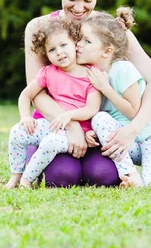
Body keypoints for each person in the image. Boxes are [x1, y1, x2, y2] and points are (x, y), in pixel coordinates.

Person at [24, 0, 151, 187]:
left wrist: (132, 131)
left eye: (88, 1)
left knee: (104, 176)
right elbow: (37, 93)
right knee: (61, 177)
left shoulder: (109, 29)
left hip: (96, 131)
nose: (79, 8)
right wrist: (71, 127)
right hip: (55, 125)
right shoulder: (39, 27)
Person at [79, 8, 151, 186]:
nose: (78, 44)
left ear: (107, 52)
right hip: (126, 143)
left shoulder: (122, 69)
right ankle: (130, 175)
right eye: (80, 39)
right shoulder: (90, 74)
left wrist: (106, 89)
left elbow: (134, 111)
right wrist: (91, 133)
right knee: (100, 118)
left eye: (87, 41)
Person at [6, 18, 101, 189]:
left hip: (77, 133)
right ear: (46, 55)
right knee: (17, 132)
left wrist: (68, 116)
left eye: (63, 45)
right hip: (52, 125)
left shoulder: (91, 74)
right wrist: (25, 116)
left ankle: (26, 181)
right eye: (52, 49)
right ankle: (15, 176)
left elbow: (92, 108)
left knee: (50, 143)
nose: (59, 52)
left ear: (75, 44)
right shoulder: (48, 72)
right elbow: (25, 95)